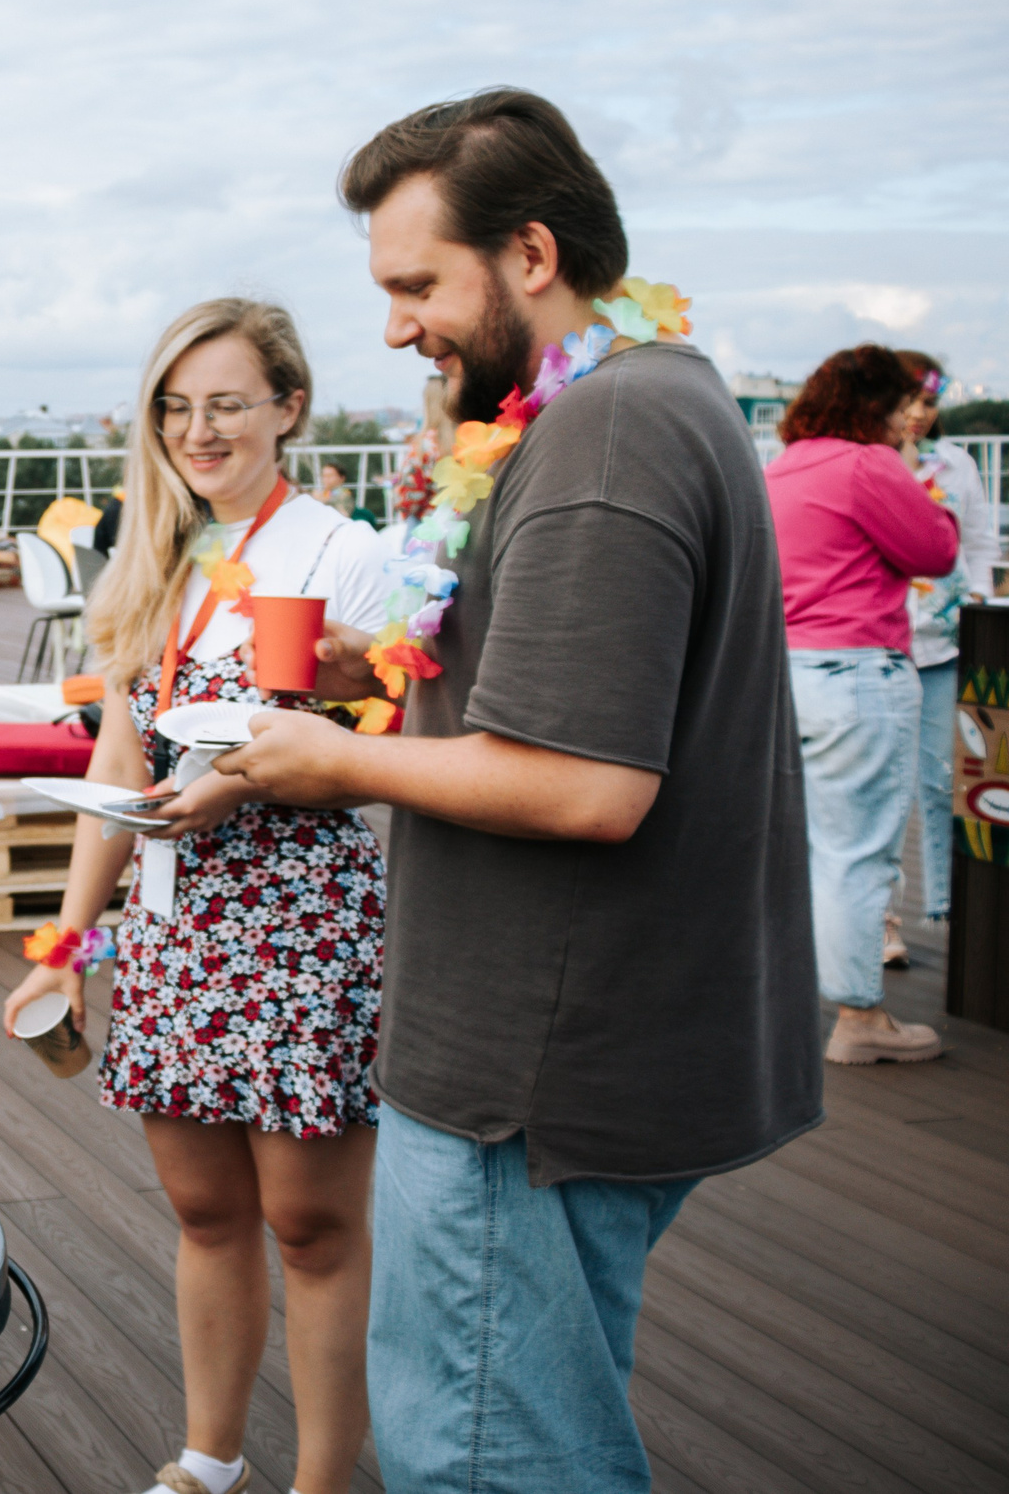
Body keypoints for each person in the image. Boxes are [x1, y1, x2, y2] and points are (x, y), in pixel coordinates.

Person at [211, 88, 821, 1492]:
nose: (396, 324)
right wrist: (386, 663)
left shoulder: (603, 436)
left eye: (417, 283)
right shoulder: (653, 393)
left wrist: (325, 758)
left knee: (486, 1453)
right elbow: (574, 685)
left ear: (530, 255)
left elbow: (589, 780)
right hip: (593, 1043)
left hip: (526, 1075)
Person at [1, 299, 390, 1494]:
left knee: (311, 1226)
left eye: (226, 402)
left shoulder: (342, 550)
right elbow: (119, 759)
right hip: (171, 920)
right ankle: (207, 1459)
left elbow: (389, 727)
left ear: (288, 406)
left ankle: (323, 1479)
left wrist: (243, 773)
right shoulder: (156, 556)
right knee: (204, 1212)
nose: (198, 430)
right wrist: (67, 939)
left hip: (297, 916)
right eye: (176, 407)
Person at [766, 344, 958, 1063]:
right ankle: (858, 1017)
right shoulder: (867, 464)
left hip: (789, 673)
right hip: (858, 674)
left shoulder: (782, 468)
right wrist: (907, 471)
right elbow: (935, 548)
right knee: (858, 852)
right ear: (877, 405)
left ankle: (793, 1003)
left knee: (807, 847)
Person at [893, 350, 995, 965]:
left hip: (942, 644)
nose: (919, 414)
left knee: (941, 779)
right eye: (907, 401)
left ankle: (945, 905)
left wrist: (979, 596)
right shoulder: (869, 462)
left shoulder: (956, 465)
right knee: (878, 790)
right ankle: (882, 923)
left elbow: (980, 540)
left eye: (928, 402)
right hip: (877, 642)